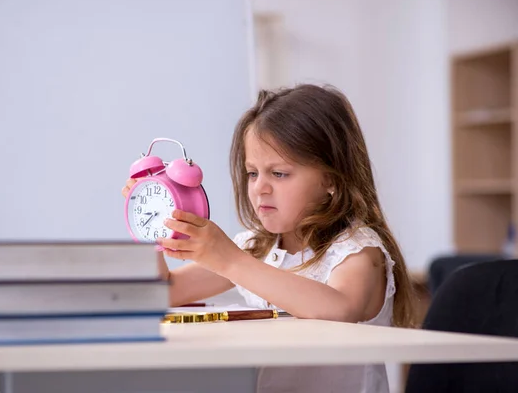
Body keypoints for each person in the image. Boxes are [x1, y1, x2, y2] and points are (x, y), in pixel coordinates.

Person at [122, 84, 415, 393]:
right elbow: (161, 294)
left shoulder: (358, 251)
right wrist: (150, 228)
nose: (260, 188)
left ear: (330, 179)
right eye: (252, 173)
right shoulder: (257, 247)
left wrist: (230, 260)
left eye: (279, 174)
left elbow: (338, 310)